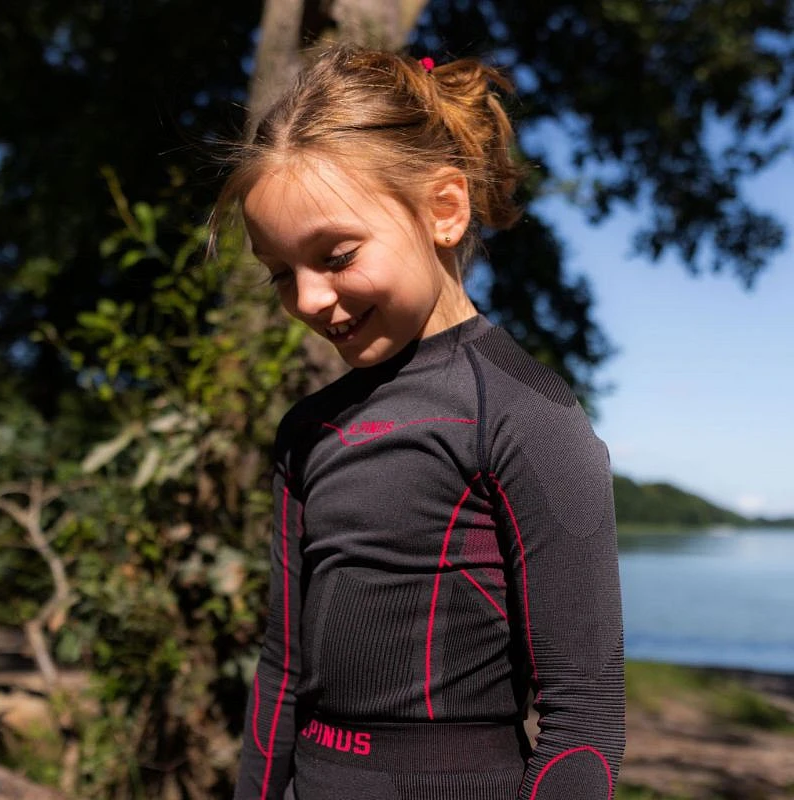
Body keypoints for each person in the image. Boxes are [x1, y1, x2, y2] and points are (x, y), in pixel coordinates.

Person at [214, 44, 625, 800]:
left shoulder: (527, 416)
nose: (308, 299)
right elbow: (281, 670)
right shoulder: (308, 431)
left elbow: (585, 724)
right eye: (281, 274)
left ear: (444, 210)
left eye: (337, 255)